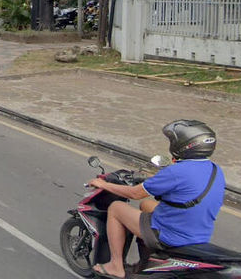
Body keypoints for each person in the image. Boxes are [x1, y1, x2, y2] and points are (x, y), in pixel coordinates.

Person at [87, 119, 224, 279]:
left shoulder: (177, 171)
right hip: (198, 231)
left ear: (184, 145)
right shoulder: (215, 170)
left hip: (173, 233)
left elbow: (134, 194)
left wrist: (103, 184)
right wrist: (152, 179)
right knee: (146, 205)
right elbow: (182, 185)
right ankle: (147, 262)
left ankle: (115, 265)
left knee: (116, 208)